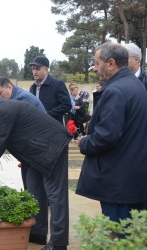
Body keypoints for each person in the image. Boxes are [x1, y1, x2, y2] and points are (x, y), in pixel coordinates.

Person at [0, 91, 71, 250]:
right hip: (37, 153)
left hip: (53, 146)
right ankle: (37, 233)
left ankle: (58, 243)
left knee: (55, 196)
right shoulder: (1, 109)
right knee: (34, 191)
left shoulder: (0, 110)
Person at [76, 42, 147, 224]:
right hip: (133, 178)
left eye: (97, 63)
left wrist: (84, 142)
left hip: (118, 182)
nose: (94, 68)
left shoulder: (115, 90)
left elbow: (106, 136)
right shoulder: (135, 85)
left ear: (111, 63)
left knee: (117, 236)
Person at [0, 76, 47, 190]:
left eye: (0, 93)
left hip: (40, 146)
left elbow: (17, 125)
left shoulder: (23, 99)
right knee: (28, 182)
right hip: (31, 147)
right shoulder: (13, 99)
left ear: (10, 87)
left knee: (34, 185)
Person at [29, 56, 71, 124]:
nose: (35, 72)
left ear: (46, 70)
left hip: (53, 127)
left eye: (37, 69)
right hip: (36, 127)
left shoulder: (57, 84)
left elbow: (66, 105)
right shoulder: (32, 87)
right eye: (33, 69)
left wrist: (47, 115)